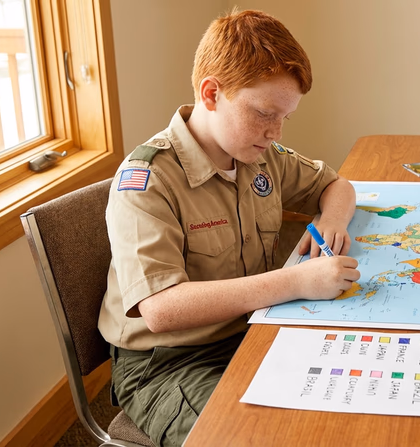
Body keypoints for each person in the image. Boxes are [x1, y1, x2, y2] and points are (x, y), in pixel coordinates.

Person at [98, 9, 360, 446]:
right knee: (257, 439)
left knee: (342, 409)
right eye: (264, 113)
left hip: (251, 326)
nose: (275, 132)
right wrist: (296, 281)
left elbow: (337, 185)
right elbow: (160, 309)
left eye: (285, 118)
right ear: (211, 93)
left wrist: (332, 220)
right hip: (170, 361)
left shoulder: (258, 154)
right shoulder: (147, 181)